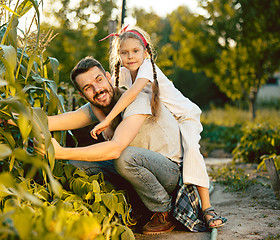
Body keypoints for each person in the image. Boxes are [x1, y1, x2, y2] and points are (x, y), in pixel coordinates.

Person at [39, 56, 216, 235]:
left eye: (99, 80)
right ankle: (132, 207)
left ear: (109, 77)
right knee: (77, 165)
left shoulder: (137, 99)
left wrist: (60, 152)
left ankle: (162, 211)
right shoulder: (97, 107)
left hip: (171, 173)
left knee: (123, 156)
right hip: (143, 171)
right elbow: (49, 122)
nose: (97, 89)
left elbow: (116, 148)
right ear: (82, 95)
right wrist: (13, 117)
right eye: (88, 88)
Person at [88, 25, 226, 229]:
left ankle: (207, 207)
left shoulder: (146, 67)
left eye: (135, 51)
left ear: (146, 51)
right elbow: (105, 94)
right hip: (169, 119)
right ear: (119, 55)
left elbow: (133, 92)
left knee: (191, 152)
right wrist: (103, 117)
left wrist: (108, 121)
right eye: (124, 53)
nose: (130, 56)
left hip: (185, 115)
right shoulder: (125, 72)